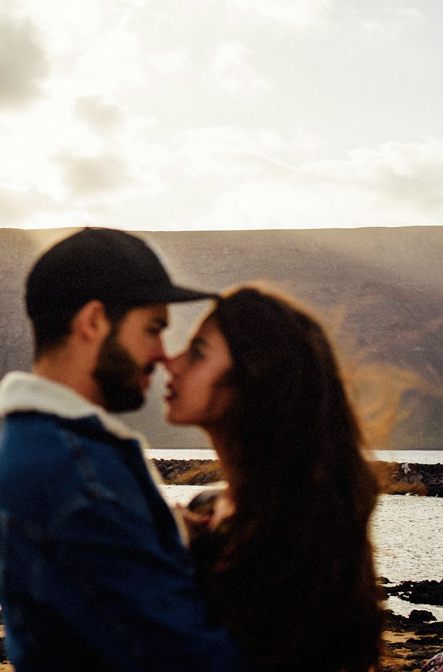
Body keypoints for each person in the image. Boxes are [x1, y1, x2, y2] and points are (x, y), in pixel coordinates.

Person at [0, 227, 244, 672]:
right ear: (93, 322)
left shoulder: (40, 447)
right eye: (153, 329)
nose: (163, 354)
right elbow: (185, 661)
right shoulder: (79, 478)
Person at [164, 286, 383, 672]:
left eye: (197, 353)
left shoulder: (296, 534)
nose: (171, 360)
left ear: (254, 379)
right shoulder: (210, 510)